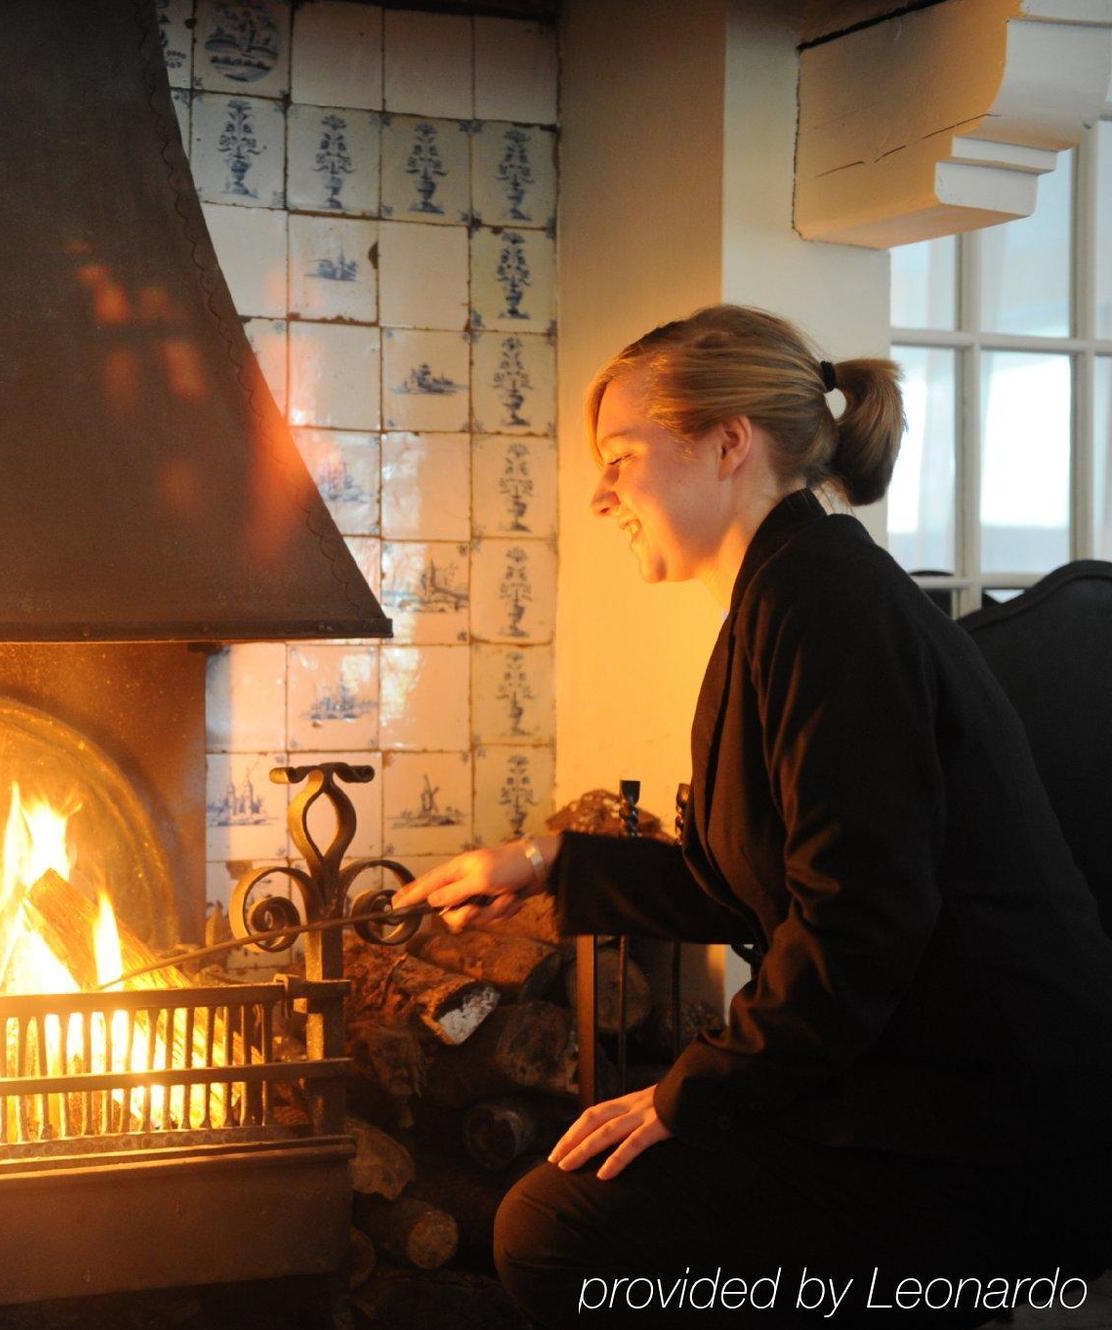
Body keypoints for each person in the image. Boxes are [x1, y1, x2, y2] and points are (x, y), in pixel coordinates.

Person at [391, 305, 1112, 1327]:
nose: (600, 495)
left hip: (990, 1136)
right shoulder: (782, 597)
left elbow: (854, 929)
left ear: (727, 442)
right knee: (558, 1217)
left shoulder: (825, 609)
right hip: (916, 1097)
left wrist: (687, 1090)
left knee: (557, 1229)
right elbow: (738, 877)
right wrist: (542, 861)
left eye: (620, 456)